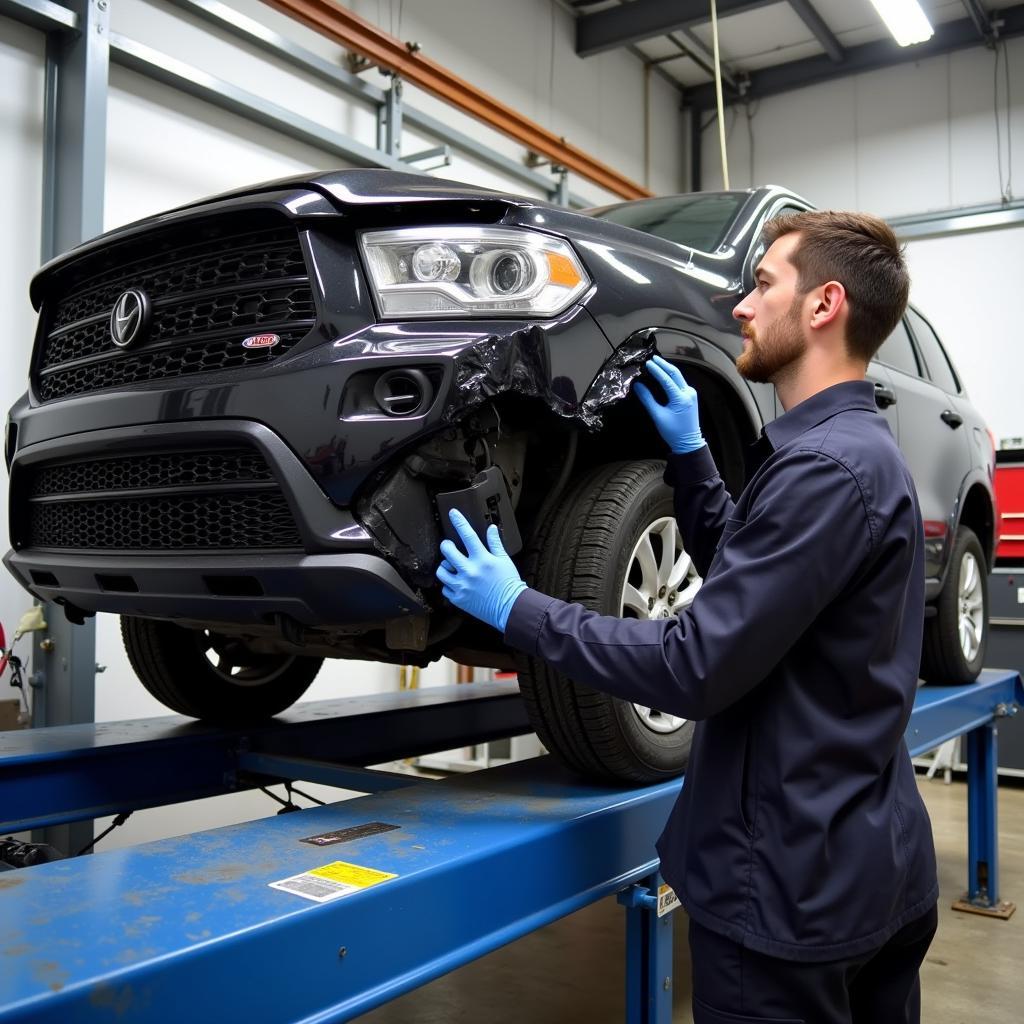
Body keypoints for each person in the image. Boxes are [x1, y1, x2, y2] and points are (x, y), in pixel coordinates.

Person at [436, 211, 938, 1024]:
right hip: (869, 873)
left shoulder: (822, 469)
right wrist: (693, 455)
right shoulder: (857, 453)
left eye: (765, 282)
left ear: (824, 306)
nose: (741, 305)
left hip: (787, 903)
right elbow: (758, 582)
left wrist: (519, 610)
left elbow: (693, 665)